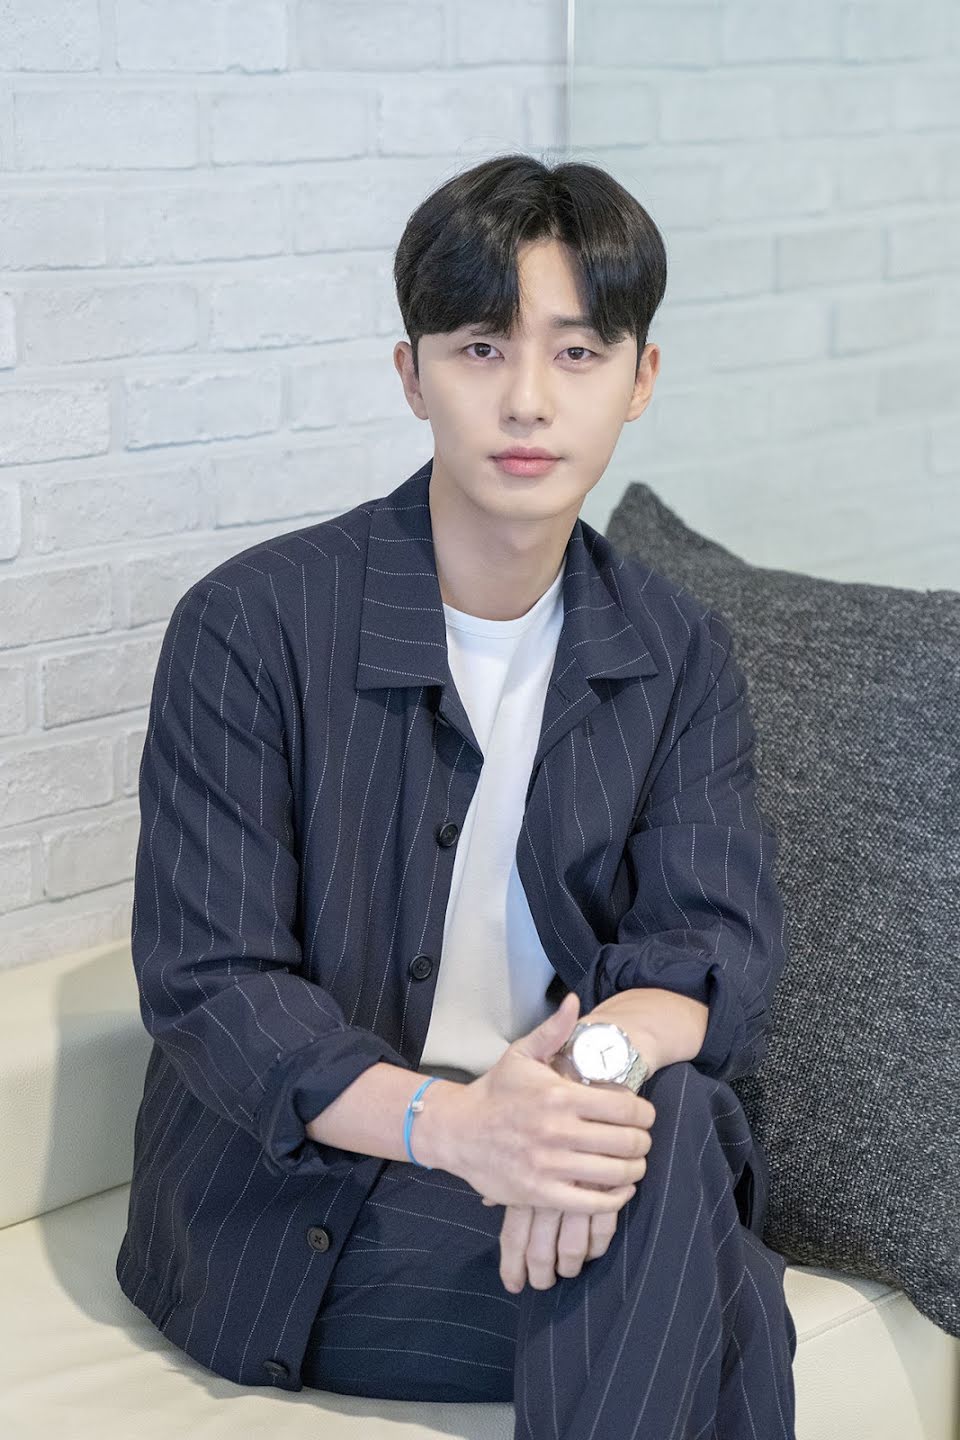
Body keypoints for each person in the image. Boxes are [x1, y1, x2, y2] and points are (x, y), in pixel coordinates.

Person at [116, 152, 798, 1437]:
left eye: (578, 353)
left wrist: (574, 1097)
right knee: (706, 1250)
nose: (528, 400)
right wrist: (464, 1128)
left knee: (672, 1124)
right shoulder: (252, 627)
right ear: (412, 373)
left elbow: (711, 943)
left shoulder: (676, 649)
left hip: (550, 1157)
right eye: (482, 348)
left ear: (642, 379)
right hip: (313, 1199)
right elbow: (215, 987)